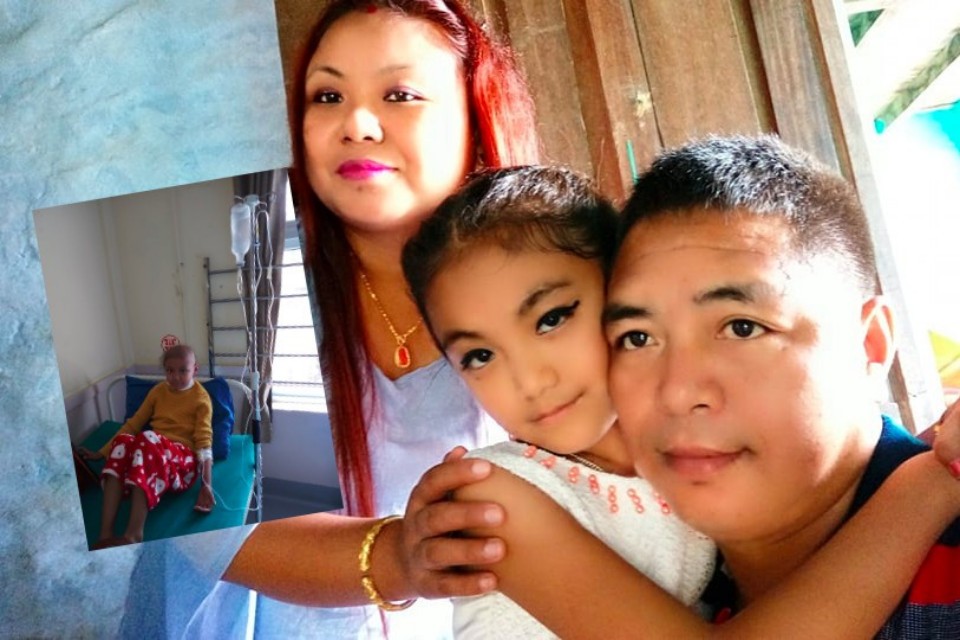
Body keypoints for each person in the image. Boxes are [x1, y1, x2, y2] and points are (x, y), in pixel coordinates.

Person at [119, 1, 538, 638]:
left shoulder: (549, 294)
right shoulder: (247, 283)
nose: (357, 124)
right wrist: (399, 557)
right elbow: (200, 528)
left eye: (399, 94)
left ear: (475, 122)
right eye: (328, 96)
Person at [402, 164, 960, 638]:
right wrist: (928, 485)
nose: (530, 380)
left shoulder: (686, 480)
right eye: (479, 356)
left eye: (552, 319)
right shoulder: (493, 497)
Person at [597, 135, 960, 636]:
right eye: (637, 338)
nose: (677, 392)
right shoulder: (627, 569)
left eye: (742, 327)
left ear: (870, 344)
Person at [79, 344, 215, 549]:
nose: (175, 377)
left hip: (182, 462)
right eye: (170, 370)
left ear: (195, 370)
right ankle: (105, 534)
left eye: (183, 371)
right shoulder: (158, 391)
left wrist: (207, 485)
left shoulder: (201, 399)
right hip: (152, 450)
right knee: (125, 440)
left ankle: (133, 534)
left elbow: (204, 443)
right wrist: (101, 453)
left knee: (146, 438)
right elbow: (133, 424)